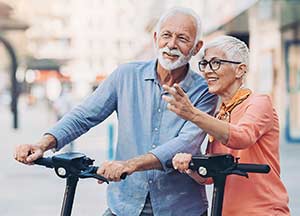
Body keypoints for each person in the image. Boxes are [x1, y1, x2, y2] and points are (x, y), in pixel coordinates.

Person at [14, 7, 218, 216]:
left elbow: (185, 143)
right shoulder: (125, 75)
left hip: (180, 208)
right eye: (166, 35)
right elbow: (84, 115)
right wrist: (42, 144)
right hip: (125, 205)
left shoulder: (205, 91)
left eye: (182, 38)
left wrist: (129, 165)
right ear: (156, 38)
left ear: (196, 47)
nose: (172, 44)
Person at [162, 35, 290, 215]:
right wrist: (189, 164)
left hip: (264, 211)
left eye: (215, 63)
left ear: (240, 70)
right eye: (204, 64)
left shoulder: (260, 103)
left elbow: (242, 137)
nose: (207, 70)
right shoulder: (219, 115)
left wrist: (192, 113)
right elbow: (211, 175)